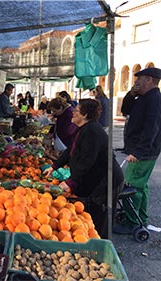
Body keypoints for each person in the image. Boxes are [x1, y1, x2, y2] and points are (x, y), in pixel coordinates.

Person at [44, 99, 124, 238]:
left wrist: (70, 181)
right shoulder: (84, 129)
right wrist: (54, 166)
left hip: (107, 179)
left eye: (76, 110)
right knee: (92, 211)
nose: (73, 112)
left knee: (100, 215)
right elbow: (70, 151)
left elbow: (87, 161)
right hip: (97, 178)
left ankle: (101, 244)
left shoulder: (92, 131)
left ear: (85, 115)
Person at [113, 67, 161, 234]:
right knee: (141, 186)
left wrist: (138, 152)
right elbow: (125, 110)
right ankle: (141, 218)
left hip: (143, 152)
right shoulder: (143, 97)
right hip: (139, 150)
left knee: (132, 186)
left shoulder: (154, 99)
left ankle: (131, 223)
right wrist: (131, 93)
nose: (136, 81)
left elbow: (151, 128)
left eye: (139, 78)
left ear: (149, 79)